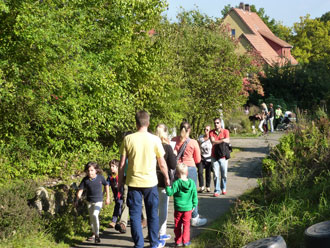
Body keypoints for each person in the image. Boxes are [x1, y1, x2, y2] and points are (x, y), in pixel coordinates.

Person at [118, 110, 170, 248]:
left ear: (136, 123)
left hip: (133, 183)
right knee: (152, 214)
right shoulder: (155, 139)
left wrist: (119, 183)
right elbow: (162, 163)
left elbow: (122, 164)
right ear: (148, 122)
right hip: (151, 183)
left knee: (135, 216)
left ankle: (139, 244)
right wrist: (167, 178)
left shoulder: (128, 139)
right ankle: (154, 243)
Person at [171, 121, 207, 227]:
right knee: (191, 194)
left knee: (178, 194)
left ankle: (179, 218)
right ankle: (194, 218)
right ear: (189, 130)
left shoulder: (174, 140)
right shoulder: (193, 142)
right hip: (189, 169)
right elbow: (198, 159)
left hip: (177, 169)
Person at [75, 162, 110, 244]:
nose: (90, 172)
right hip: (89, 202)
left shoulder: (100, 178)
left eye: (92, 170)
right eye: (88, 170)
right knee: (92, 218)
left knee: (95, 215)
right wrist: (77, 200)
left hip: (99, 201)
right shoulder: (85, 180)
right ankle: (94, 234)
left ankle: (97, 235)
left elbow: (106, 185)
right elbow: (80, 190)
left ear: (96, 170)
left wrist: (107, 197)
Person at [166, 163, 198, 247]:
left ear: (177, 174)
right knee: (186, 225)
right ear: (187, 173)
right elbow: (195, 195)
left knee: (177, 225)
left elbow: (170, 193)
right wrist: (194, 205)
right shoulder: (192, 183)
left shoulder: (176, 183)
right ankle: (186, 241)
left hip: (178, 208)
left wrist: (167, 186)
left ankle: (178, 241)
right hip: (188, 208)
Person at [155, 124, 177, 241]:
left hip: (151, 179)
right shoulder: (167, 147)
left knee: (153, 207)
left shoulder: (151, 145)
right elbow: (173, 165)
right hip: (163, 179)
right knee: (163, 206)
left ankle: (152, 231)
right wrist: (173, 153)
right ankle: (161, 232)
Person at [209, 118, 230, 197]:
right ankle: (217, 190)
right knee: (216, 174)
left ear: (221, 123)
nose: (216, 124)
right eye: (215, 123)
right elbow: (212, 141)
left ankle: (223, 188)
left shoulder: (225, 131)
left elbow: (228, 140)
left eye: (217, 123)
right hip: (214, 156)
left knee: (224, 174)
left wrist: (218, 141)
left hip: (223, 156)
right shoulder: (211, 132)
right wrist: (222, 140)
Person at [107, 159, 123, 228]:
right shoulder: (110, 177)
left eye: (113, 166)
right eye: (110, 166)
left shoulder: (121, 176)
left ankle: (114, 221)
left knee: (118, 206)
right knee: (119, 207)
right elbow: (106, 185)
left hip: (122, 195)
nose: (111, 168)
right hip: (116, 195)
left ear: (118, 167)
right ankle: (121, 220)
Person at [197, 125, 212, 193]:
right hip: (202, 158)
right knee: (200, 172)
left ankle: (208, 187)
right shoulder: (200, 137)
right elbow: (197, 146)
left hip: (209, 158)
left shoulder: (212, 138)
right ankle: (201, 186)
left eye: (207, 130)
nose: (205, 131)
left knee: (208, 173)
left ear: (210, 131)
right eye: (204, 129)